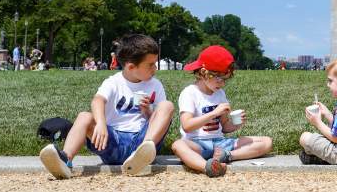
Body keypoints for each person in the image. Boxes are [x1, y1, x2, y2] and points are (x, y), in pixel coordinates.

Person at [39, 33, 174, 179]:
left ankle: (143, 153)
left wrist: (147, 111)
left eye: (155, 63)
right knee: (84, 116)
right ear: (131, 66)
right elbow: (97, 101)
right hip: (112, 140)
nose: (155, 68)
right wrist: (101, 124)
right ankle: (65, 160)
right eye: (151, 64)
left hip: (142, 140)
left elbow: (159, 119)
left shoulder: (156, 85)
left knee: (166, 106)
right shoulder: (113, 82)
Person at [171, 45, 272, 177]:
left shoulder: (219, 93)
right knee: (178, 145)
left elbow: (224, 127)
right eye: (218, 78)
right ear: (203, 73)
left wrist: (236, 124)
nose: (222, 83)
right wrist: (214, 113)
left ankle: (227, 156)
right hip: (197, 143)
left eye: (225, 79)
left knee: (266, 142)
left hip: (219, 143)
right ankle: (207, 167)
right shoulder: (190, 93)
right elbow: (187, 126)